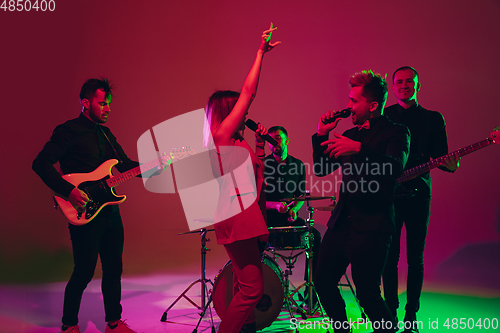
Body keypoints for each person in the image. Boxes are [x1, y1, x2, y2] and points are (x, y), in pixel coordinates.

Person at [32, 78, 144, 333]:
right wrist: (68, 191)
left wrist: (151, 167)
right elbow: (41, 163)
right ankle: (69, 323)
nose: (107, 108)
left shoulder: (106, 134)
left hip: (109, 210)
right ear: (85, 103)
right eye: (102, 103)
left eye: (109, 104)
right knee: (83, 271)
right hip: (83, 211)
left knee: (114, 268)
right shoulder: (68, 131)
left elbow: (124, 164)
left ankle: (114, 323)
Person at [312, 70, 410, 333]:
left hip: (373, 226)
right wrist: (321, 135)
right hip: (342, 222)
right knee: (322, 282)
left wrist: (360, 150)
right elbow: (321, 169)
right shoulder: (350, 134)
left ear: (373, 105)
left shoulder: (397, 132)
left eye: (353, 101)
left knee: (367, 295)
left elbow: (394, 168)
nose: (348, 106)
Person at [203, 24, 279, 333]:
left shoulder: (236, 142)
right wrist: (260, 52)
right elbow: (249, 92)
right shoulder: (221, 137)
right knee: (252, 288)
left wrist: (259, 144)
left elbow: (255, 175)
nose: (244, 112)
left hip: (245, 214)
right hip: (238, 217)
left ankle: (245, 330)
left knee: (242, 282)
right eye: (237, 109)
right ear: (227, 112)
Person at [383, 66, 459, 332]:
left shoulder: (433, 119)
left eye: (409, 82)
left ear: (418, 85)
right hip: (389, 196)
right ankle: (389, 316)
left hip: (419, 195)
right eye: (399, 82)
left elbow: (443, 158)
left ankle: (411, 317)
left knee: (415, 258)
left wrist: (451, 165)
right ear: (392, 87)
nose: (404, 86)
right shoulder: (384, 116)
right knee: (388, 258)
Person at [258, 126, 321, 294]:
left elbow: (300, 195)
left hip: (288, 219)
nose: (273, 143)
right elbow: (255, 200)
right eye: (270, 140)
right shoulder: (263, 165)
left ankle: (311, 291)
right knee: (253, 243)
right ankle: (256, 291)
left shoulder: (298, 165)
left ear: (287, 141)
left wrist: (294, 209)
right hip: (267, 220)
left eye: (277, 138)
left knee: (315, 236)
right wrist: (275, 206)